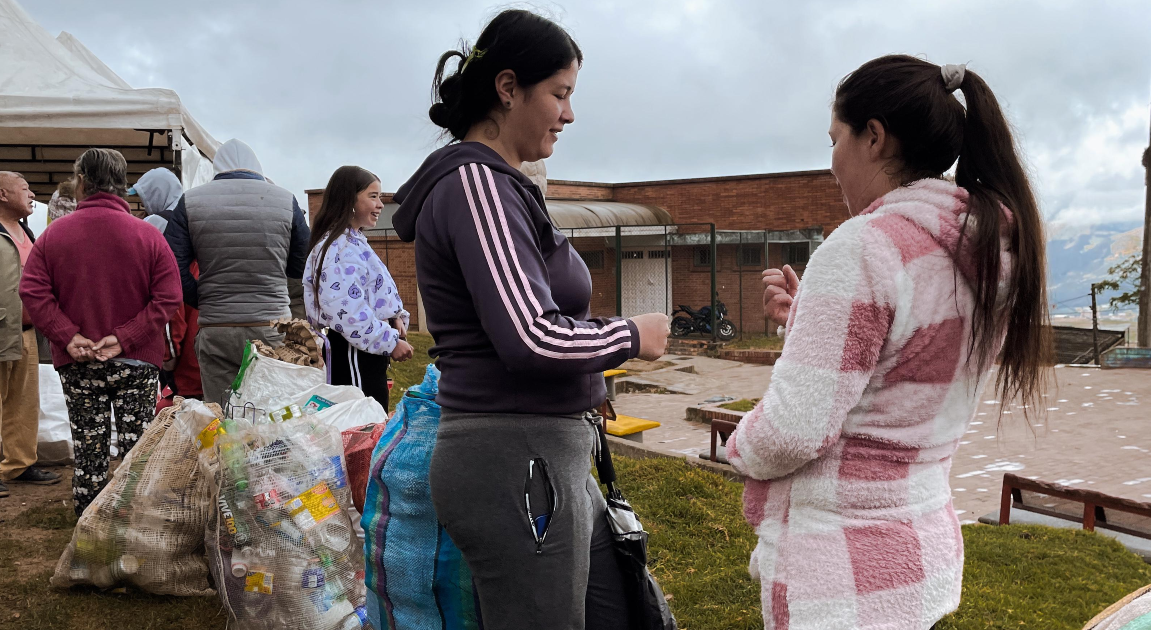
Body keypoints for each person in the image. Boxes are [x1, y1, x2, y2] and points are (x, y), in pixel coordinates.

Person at [726, 55, 1051, 630]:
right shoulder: (987, 249)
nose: (831, 162)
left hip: (837, 575)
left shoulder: (864, 248)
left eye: (835, 139)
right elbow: (906, 369)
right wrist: (807, 318)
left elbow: (792, 430)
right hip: (920, 554)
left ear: (872, 137)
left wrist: (738, 445)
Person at [392, 10, 670, 629]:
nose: (568, 115)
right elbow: (529, 336)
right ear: (509, 87)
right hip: (513, 456)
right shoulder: (476, 185)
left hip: (544, 450)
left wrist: (588, 381)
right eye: (560, 94)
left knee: (617, 613)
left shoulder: (501, 186)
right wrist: (631, 336)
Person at [21, 148, 182, 516]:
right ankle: (133, 532)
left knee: (88, 451)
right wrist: (126, 337)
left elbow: (32, 289)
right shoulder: (148, 235)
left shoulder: (53, 236)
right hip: (136, 361)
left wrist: (68, 335)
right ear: (122, 186)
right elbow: (169, 295)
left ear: (81, 182)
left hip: (78, 361)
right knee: (136, 452)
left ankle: (89, 536)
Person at [165, 139, 311, 403]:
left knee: (222, 416)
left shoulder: (191, 201)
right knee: (270, 415)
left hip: (216, 327)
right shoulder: (285, 200)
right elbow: (301, 264)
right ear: (256, 167)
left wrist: (203, 299)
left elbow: (172, 266)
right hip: (271, 327)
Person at [0, 171, 61, 498]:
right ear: (3, 194)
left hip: (26, 330)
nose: (32, 194)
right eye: (25, 188)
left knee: (24, 400)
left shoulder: (25, 230)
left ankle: (18, 463)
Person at [304, 166, 413, 410]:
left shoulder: (353, 242)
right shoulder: (338, 248)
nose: (381, 204)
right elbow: (347, 311)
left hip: (365, 349)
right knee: (363, 424)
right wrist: (389, 341)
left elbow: (373, 295)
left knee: (371, 422)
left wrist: (394, 319)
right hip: (355, 351)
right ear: (349, 200)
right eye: (373, 196)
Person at [133, 169, 202, 408]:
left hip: (174, 326)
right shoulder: (196, 214)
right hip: (203, 312)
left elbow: (167, 303)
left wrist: (168, 357)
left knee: (177, 405)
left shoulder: (157, 222)